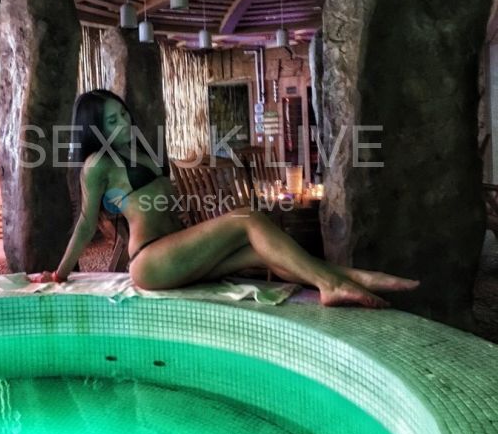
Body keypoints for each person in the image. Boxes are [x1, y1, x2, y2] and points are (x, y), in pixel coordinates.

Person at [30, 89, 419, 308]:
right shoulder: (98, 164)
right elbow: (86, 223)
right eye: (112, 121)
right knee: (247, 218)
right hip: (151, 260)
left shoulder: (143, 149)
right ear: (94, 129)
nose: (124, 123)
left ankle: (355, 278)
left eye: (123, 114)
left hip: (176, 250)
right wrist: (61, 273)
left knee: (262, 251)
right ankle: (330, 283)